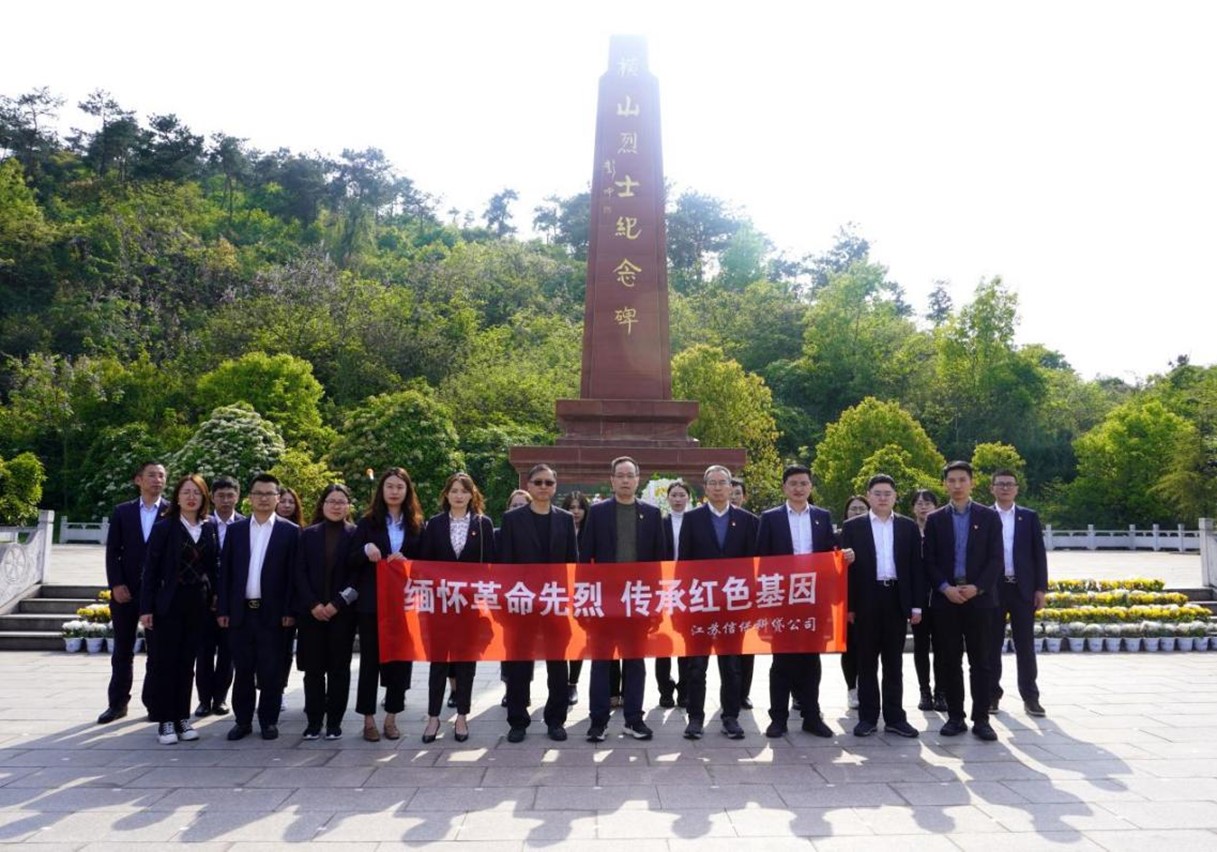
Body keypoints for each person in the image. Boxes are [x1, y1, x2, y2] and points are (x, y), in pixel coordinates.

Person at [757, 464, 850, 738]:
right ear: (785, 487)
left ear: (810, 487)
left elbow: (830, 555)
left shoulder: (822, 516)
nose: (799, 488)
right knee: (781, 660)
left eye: (804, 484)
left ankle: (811, 715)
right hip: (781, 599)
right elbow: (761, 560)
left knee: (811, 659)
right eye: (793, 484)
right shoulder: (770, 518)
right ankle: (778, 718)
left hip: (813, 600)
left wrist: (844, 557)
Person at [580, 456, 665, 742]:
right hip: (604, 601)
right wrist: (584, 601)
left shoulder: (652, 515)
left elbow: (658, 564)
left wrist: (656, 604)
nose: (626, 480)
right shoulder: (599, 512)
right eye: (620, 475)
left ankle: (633, 719)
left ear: (638, 479)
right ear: (612, 479)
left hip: (638, 601)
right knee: (601, 662)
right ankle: (598, 721)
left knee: (635, 662)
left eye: (630, 475)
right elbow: (584, 560)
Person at [676, 466, 759, 740]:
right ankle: (695, 718)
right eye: (712, 483)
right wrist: (682, 604)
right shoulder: (692, 519)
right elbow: (683, 564)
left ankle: (730, 717)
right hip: (701, 605)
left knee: (732, 666)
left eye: (723, 482)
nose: (718, 487)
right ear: (705, 487)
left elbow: (753, 566)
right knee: (696, 666)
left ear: (730, 486)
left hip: (734, 607)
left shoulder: (747, 520)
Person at [922, 461, 1003, 741]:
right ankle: (955, 717)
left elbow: (996, 559)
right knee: (948, 660)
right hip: (947, 600)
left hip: (979, 599)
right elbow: (928, 560)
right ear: (944, 484)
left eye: (962, 480)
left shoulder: (989, 517)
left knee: (981, 661)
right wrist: (945, 588)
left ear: (972, 482)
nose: (957, 485)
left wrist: (977, 587)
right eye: (951, 480)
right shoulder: (935, 519)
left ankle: (981, 718)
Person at [499, 463, 579, 743]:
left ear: (555, 488)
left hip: (556, 604)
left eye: (548, 483)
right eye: (538, 482)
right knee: (520, 665)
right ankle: (518, 720)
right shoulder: (512, 520)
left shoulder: (565, 519)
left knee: (558, 665)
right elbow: (505, 564)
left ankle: (556, 719)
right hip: (522, 604)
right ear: (529, 486)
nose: (543, 487)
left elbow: (573, 564)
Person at [139, 474, 221, 745]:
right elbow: (150, 571)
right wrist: (146, 608)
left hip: (198, 603)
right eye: (186, 492)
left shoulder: (208, 528)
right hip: (169, 603)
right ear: (177, 496)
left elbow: (212, 567)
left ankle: (183, 718)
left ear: (204, 498)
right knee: (166, 663)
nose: (191, 497)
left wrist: (216, 595)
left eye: (197, 493)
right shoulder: (165, 527)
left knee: (188, 663)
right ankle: (165, 721)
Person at [217, 472, 299, 741]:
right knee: (243, 670)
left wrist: (289, 611)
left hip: (274, 615)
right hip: (241, 613)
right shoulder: (236, 530)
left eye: (269, 494)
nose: (264, 499)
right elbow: (226, 573)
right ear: (249, 498)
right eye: (258, 494)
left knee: (271, 671)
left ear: (278, 498)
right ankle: (242, 721)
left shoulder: (290, 531)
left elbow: (292, 577)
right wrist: (224, 610)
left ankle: (268, 721)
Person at [841, 475, 922, 738]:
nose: (883, 498)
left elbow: (914, 569)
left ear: (895, 496)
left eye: (888, 493)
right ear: (868, 495)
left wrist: (916, 606)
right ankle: (867, 718)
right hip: (866, 600)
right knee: (866, 662)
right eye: (877, 493)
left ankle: (895, 717)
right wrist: (849, 606)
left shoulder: (908, 527)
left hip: (896, 597)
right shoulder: (853, 527)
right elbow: (846, 573)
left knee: (894, 662)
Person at [419, 472, 496, 743]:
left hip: (470, 607)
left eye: (464, 491)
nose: (459, 495)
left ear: (472, 495)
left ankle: (462, 716)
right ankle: (433, 718)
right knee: (438, 663)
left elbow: (490, 565)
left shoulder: (483, 524)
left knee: (466, 663)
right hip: (440, 606)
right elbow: (425, 563)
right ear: (446, 495)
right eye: (454, 490)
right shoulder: (435, 524)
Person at [349, 467, 424, 742]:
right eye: (389, 486)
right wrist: (365, 551)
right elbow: (351, 560)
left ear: (407, 491)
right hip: (372, 603)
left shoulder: (416, 523)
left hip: (404, 604)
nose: (394, 491)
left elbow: (426, 563)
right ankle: (368, 719)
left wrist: (409, 562)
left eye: (400, 487)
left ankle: (392, 717)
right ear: (382, 490)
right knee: (369, 662)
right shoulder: (367, 522)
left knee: (400, 662)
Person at [99, 461, 168, 725]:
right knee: (123, 650)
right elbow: (112, 552)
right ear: (138, 480)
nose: (157, 480)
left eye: (161, 475)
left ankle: (153, 703)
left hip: (158, 593)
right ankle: (117, 704)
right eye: (152, 475)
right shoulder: (123, 511)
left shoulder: (172, 512)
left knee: (157, 651)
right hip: (126, 590)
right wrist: (115, 584)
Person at [294, 483, 360, 740]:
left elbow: (358, 577)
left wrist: (336, 604)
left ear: (348, 506)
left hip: (342, 614)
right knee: (313, 671)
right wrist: (313, 605)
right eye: (331, 501)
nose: (336, 506)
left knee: (339, 670)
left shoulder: (355, 535)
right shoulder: (307, 534)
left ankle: (334, 722)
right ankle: (313, 721)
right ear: (323, 505)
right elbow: (298, 573)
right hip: (311, 614)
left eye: (341, 501)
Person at [987, 469, 1049, 718]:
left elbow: (1039, 555)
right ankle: (991, 695)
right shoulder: (983, 515)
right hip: (993, 588)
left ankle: (1031, 697)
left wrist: (1040, 589)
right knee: (991, 644)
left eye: (1009, 484)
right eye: (1000, 484)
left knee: (1026, 645)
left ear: (1016, 489)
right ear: (992, 488)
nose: (1004, 488)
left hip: (1022, 589)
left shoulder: (1028, 517)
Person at [195, 475, 241, 719]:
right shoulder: (202, 524)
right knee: (204, 651)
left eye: (230, 495)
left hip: (233, 601)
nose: (225, 500)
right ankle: (203, 700)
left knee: (227, 652)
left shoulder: (245, 524)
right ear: (211, 497)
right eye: (220, 495)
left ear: (238, 496)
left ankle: (221, 698)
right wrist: (212, 593)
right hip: (204, 599)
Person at [910, 489, 947, 712]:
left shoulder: (943, 530)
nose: (923, 506)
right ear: (913, 507)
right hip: (918, 597)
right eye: (919, 503)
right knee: (921, 646)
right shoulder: (907, 530)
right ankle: (925, 691)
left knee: (943, 646)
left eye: (928, 503)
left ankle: (941, 692)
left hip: (943, 596)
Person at [496, 488, 532, 708]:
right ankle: (510, 688)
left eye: (522, 505)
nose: (518, 509)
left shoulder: (535, 531)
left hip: (535, 598)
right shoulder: (498, 534)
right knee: (509, 647)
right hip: (508, 599)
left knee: (526, 650)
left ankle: (523, 690)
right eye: (514, 505)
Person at [657, 479, 692, 709]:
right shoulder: (660, 523)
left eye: (682, 495)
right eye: (674, 495)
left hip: (690, 589)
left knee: (686, 641)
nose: (678, 499)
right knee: (664, 641)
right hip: (665, 588)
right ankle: (665, 690)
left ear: (688, 498)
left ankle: (685, 690)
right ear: (667, 498)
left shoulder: (696, 522)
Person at [559, 490, 591, 706]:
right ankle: (560, 683)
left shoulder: (591, 532)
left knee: (578, 640)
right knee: (561, 639)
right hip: (560, 593)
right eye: (571, 507)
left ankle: (573, 683)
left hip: (584, 594)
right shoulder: (559, 528)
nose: (576, 511)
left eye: (580, 507)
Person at [839, 495, 870, 712]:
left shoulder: (877, 533)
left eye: (862, 508)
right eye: (853, 509)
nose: (858, 512)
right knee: (850, 649)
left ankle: (867, 690)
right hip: (847, 601)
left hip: (872, 600)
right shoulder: (840, 536)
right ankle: (852, 689)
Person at [275, 487, 305, 712]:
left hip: (293, 600)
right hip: (266, 599)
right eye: (282, 501)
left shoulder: (301, 532)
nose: (286, 505)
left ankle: (279, 690)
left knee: (284, 650)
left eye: (290, 502)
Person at [728, 477, 756, 709]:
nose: (734, 496)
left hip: (743, 594)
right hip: (711, 596)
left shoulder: (752, 522)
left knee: (745, 648)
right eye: (732, 492)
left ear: (744, 497)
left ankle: (742, 693)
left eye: (738, 493)